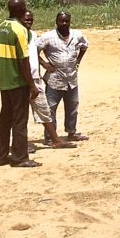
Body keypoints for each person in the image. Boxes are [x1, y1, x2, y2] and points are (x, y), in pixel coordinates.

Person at [0, 0, 40, 168]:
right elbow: (23, 60)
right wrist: (32, 85)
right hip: (18, 82)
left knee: (5, 118)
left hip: (4, 81)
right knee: (20, 120)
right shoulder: (20, 30)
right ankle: (20, 157)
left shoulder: (0, 28)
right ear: (20, 10)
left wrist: (5, 69)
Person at [23, 10, 76, 150]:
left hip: (36, 80)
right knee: (21, 114)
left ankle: (55, 140)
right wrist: (45, 64)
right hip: (23, 80)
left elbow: (34, 53)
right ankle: (21, 144)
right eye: (26, 19)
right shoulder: (20, 35)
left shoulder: (33, 35)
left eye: (30, 20)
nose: (28, 22)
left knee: (45, 111)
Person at [38, 11, 90, 142]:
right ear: (56, 22)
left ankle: (71, 132)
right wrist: (44, 63)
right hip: (54, 80)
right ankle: (50, 137)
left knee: (72, 106)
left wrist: (78, 60)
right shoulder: (48, 37)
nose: (64, 23)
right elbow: (33, 50)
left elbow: (85, 45)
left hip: (71, 79)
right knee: (51, 108)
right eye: (62, 21)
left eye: (67, 21)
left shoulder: (77, 35)